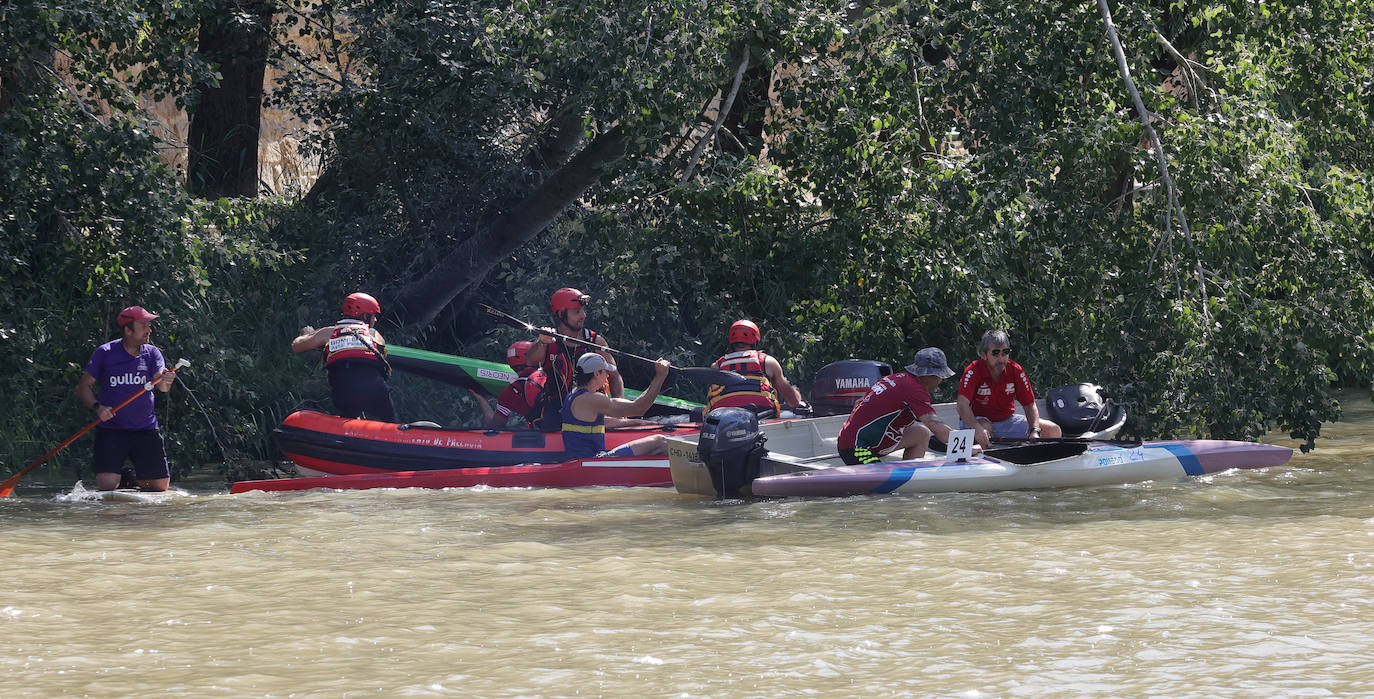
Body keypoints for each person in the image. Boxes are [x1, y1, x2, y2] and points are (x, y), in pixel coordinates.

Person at [74, 306, 178, 491]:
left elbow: (162, 386)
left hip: (145, 429)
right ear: (128, 330)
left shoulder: (152, 353)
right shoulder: (104, 352)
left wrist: (167, 379)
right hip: (111, 429)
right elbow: (83, 387)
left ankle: (132, 478)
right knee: (106, 487)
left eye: (149, 325)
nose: (149, 329)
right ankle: (124, 478)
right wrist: (98, 407)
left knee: (160, 488)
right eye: (144, 325)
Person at [835, 347, 958, 465]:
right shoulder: (915, 390)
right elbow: (938, 427)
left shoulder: (897, 378)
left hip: (856, 439)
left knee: (921, 433)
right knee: (882, 484)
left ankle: (910, 478)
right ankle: (904, 484)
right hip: (856, 449)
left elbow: (859, 402)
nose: (940, 381)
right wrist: (967, 448)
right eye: (939, 376)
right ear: (928, 375)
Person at [291, 292, 396, 422]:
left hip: (343, 392)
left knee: (349, 415)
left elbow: (296, 346)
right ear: (364, 316)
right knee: (391, 422)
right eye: (373, 316)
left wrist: (308, 334)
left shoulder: (329, 332)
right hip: (374, 389)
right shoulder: (374, 334)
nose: (375, 320)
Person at [955, 329, 1062, 449]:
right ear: (984, 355)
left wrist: (1034, 430)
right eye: (995, 353)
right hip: (975, 423)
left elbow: (1029, 405)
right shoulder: (973, 370)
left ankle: (1030, 461)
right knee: (985, 429)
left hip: (1007, 422)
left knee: (1053, 431)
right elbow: (962, 405)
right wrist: (976, 427)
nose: (1001, 359)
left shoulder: (1016, 370)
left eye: (1005, 352)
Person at [561, 353, 672, 458]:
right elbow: (639, 408)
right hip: (594, 462)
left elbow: (603, 422)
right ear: (596, 374)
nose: (608, 375)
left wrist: (638, 422)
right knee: (661, 441)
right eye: (605, 371)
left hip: (583, 461)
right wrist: (660, 376)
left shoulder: (573, 395)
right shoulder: (593, 399)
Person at [524, 288, 623, 405]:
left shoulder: (595, 341)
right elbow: (530, 361)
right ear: (561, 314)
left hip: (592, 409)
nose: (583, 315)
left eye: (583, 310)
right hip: (557, 410)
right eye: (577, 311)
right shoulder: (549, 340)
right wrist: (542, 342)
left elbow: (614, 375)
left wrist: (620, 409)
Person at [704, 319, 811, 416]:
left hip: (724, 417)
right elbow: (793, 401)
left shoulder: (717, 366)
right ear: (755, 340)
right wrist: (795, 393)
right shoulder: (767, 362)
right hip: (761, 415)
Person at [485, 340, 556, 429]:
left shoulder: (509, 392)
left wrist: (482, 400)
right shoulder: (552, 373)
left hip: (540, 437)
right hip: (564, 429)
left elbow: (495, 426)